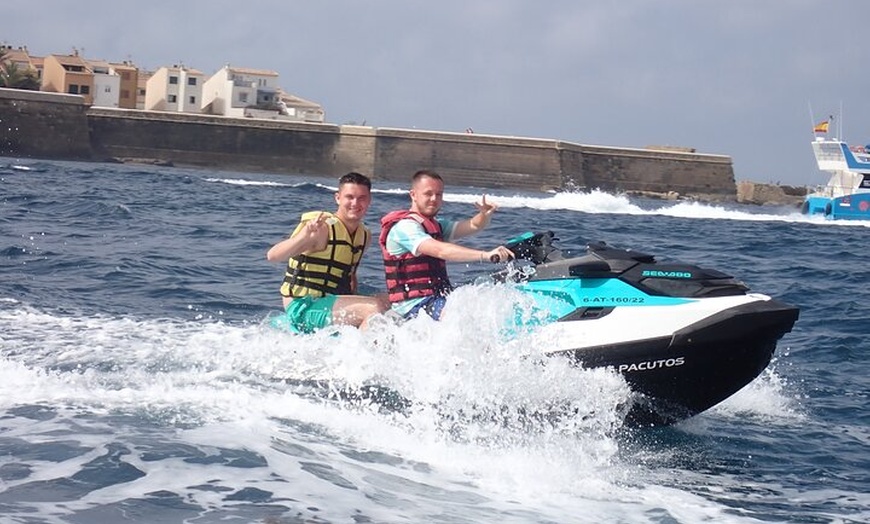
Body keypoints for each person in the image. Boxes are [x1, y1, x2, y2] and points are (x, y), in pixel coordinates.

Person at [379, 169, 514, 320]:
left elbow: (472, 226)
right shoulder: (405, 228)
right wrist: (485, 255)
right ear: (413, 195)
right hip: (413, 306)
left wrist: (484, 215)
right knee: (458, 316)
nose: (434, 199)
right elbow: (440, 250)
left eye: (439, 194)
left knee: (485, 304)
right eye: (428, 194)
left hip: (437, 298)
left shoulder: (436, 226)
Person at [266, 172, 387, 332]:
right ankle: (359, 354)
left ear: (369, 200)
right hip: (304, 307)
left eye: (362, 198)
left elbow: (350, 277)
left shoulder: (364, 235)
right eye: (349, 197)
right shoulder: (322, 228)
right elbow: (273, 256)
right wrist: (302, 238)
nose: (355, 203)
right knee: (373, 308)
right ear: (338, 198)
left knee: (393, 302)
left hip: (330, 301)